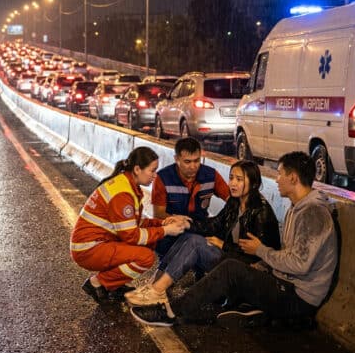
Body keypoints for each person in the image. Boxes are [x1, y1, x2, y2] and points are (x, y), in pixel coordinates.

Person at [131, 152, 338, 327]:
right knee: (202, 246)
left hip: (298, 298)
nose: (276, 179)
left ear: (293, 178)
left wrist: (260, 252)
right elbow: (216, 225)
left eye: (280, 174)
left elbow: (299, 264)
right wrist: (187, 223)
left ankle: (170, 313)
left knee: (231, 268)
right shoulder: (297, 207)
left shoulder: (312, 213)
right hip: (283, 284)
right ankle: (255, 310)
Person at [125, 160, 281, 307]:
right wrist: (188, 223)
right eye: (231, 178)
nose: (232, 183)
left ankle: (158, 291)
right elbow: (214, 224)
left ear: (254, 183)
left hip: (245, 269)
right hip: (229, 257)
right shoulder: (235, 202)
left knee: (195, 243)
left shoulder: (261, 212)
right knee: (188, 236)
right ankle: (155, 285)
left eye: (239, 179)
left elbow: (259, 256)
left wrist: (223, 245)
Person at [71, 147, 190, 303]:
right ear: (137, 169)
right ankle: (98, 283)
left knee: (148, 243)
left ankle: (113, 285)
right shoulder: (123, 193)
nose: (155, 176)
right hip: (89, 248)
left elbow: (136, 223)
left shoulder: (126, 184)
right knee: (145, 257)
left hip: (95, 244)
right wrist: (166, 230)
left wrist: (164, 221)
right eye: (152, 171)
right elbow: (132, 236)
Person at [151, 137, 231, 260]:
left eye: (197, 161)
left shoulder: (211, 175)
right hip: (174, 228)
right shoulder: (163, 178)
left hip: (200, 227)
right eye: (187, 162)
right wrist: (177, 220)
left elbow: (231, 199)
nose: (193, 166)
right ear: (176, 159)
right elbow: (158, 213)